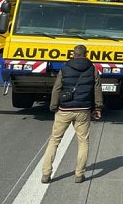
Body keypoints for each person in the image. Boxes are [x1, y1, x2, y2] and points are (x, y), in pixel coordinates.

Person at [41, 45, 103, 184]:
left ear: (73, 54)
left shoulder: (64, 69)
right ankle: (79, 174)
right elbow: (97, 89)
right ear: (86, 54)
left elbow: (57, 88)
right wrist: (98, 107)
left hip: (64, 109)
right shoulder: (93, 69)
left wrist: (53, 106)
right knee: (83, 142)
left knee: (54, 140)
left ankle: (46, 174)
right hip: (83, 110)